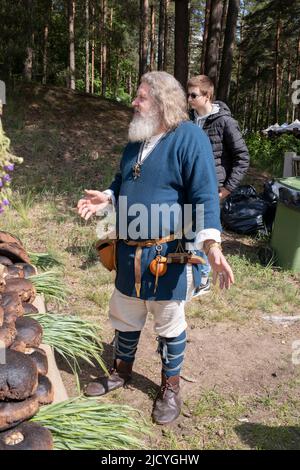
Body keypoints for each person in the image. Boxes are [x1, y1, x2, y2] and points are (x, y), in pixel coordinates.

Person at [77, 71, 234, 426]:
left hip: (168, 254)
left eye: (141, 97)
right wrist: (108, 196)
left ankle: (170, 386)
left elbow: (205, 195)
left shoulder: (189, 138)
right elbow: (124, 179)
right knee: (126, 315)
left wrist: (211, 245)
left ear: (163, 103)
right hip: (129, 250)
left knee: (168, 321)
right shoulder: (137, 140)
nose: (134, 102)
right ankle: (121, 372)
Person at [187, 74, 249, 296]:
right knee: (190, 229)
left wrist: (227, 188)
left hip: (214, 188)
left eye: (194, 95)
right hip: (190, 185)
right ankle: (195, 270)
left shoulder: (225, 122)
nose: (189, 99)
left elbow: (242, 157)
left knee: (205, 230)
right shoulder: (188, 120)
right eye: (188, 94)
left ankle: (202, 278)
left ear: (207, 95)